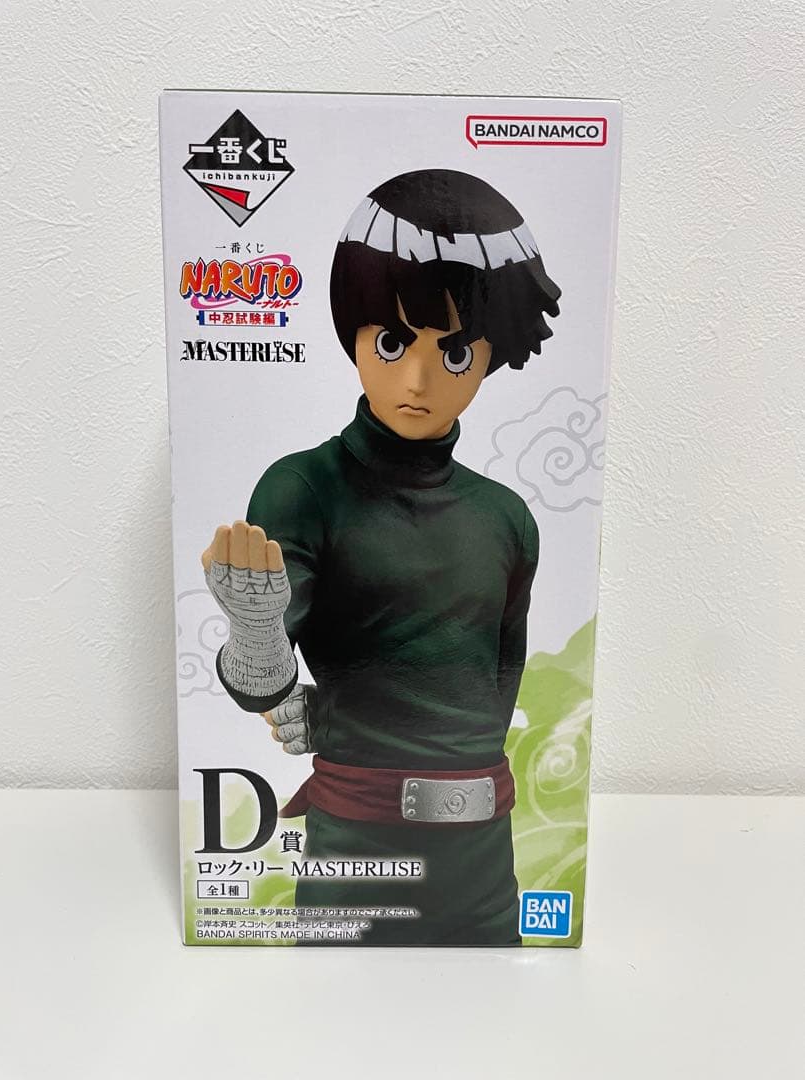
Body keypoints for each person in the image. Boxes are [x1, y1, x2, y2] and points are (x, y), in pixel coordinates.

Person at [202, 169, 561, 944]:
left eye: (454, 351)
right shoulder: (305, 488)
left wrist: (336, 709)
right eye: (392, 342)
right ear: (354, 336)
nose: (418, 379)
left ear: (492, 353)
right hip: (357, 853)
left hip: (485, 862)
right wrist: (258, 637)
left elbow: (496, 695)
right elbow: (262, 676)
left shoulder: (507, 519)